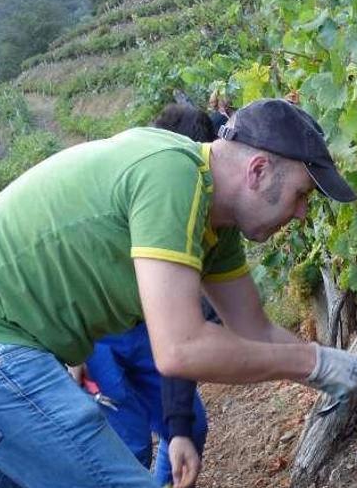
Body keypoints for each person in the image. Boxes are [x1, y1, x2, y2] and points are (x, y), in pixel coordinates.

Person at [0, 98, 357, 488]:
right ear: (259, 170)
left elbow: (253, 329)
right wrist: (315, 363)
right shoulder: (175, 174)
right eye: (303, 195)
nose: (302, 213)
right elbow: (180, 348)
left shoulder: (216, 225)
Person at [85, 103, 218, 487]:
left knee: (190, 425)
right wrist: (72, 354)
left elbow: (181, 335)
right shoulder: (125, 187)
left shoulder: (194, 215)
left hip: (143, 328)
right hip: (98, 335)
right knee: (130, 442)